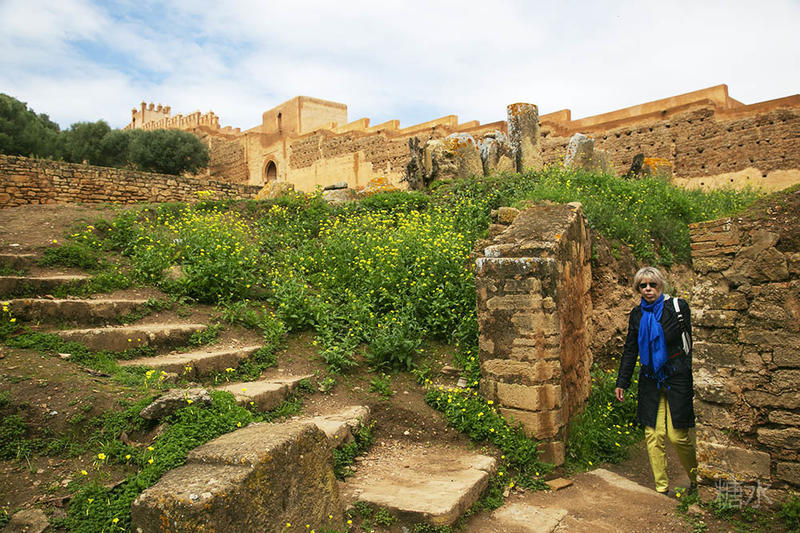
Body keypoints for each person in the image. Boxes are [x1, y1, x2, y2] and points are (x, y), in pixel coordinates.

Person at [615, 266, 697, 494]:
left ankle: (697, 478)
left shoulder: (677, 308)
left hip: (677, 376)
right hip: (650, 378)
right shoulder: (637, 314)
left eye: (653, 284)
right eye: (643, 285)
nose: (648, 289)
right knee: (653, 434)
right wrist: (622, 381)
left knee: (677, 436)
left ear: (660, 285)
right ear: (638, 289)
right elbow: (630, 349)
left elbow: (691, 342)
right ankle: (661, 488)